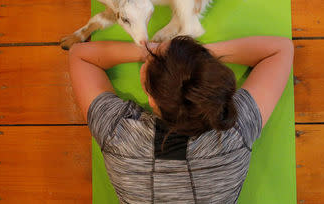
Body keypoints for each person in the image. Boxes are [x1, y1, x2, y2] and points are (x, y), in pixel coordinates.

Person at [68, 35, 294, 203]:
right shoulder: (234, 130)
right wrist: (197, 58)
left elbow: (80, 55)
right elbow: (280, 50)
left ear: (153, 99)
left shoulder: (118, 136)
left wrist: (151, 51)